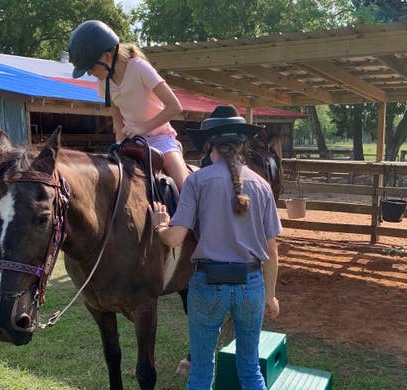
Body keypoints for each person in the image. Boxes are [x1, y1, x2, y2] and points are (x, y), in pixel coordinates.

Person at [151, 105, 281, 389]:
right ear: (242, 145)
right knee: (250, 370)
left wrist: (160, 224)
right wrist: (270, 296)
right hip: (251, 285)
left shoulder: (197, 181)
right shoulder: (261, 185)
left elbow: (174, 239)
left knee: (200, 370)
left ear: (208, 144)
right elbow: (272, 252)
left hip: (208, 285)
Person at [68, 20, 190, 190]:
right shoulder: (104, 81)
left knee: (185, 188)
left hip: (161, 139)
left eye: (91, 67)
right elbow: (117, 119)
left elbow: (175, 107)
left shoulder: (140, 68)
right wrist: (120, 143)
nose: (89, 73)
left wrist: (143, 128)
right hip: (132, 143)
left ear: (107, 57)